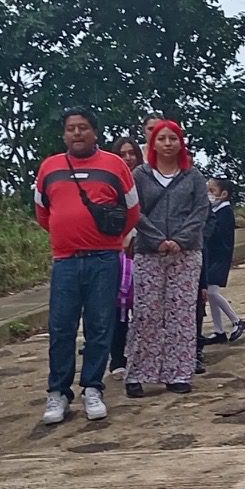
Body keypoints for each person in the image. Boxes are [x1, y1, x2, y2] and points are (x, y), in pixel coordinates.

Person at [34, 107, 137, 425]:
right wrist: (68, 235)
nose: (76, 133)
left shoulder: (114, 164)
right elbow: (42, 213)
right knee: (61, 328)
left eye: (82, 127)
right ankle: (59, 393)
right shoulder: (49, 167)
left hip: (104, 260)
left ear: (95, 132)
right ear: (64, 134)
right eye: (70, 128)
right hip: (65, 261)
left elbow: (132, 210)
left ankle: (93, 387)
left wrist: (109, 239)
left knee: (100, 326)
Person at [123, 120, 210, 398]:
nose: (168, 143)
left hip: (186, 253)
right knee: (146, 312)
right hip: (150, 252)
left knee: (182, 313)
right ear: (153, 144)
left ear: (181, 143)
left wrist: (180, 240)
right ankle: (137, 373)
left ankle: (179, 373)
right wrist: (158, 239)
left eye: (174, 138)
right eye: (163, 139)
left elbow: (200, 211)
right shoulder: (140, 174)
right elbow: (134, 210)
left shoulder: (193, 175)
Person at [200, 176, 245, 344]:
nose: (208, 195)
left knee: (211, 292)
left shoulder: (225, 212)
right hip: (212, 258)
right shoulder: (217, 211)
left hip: (220, 258)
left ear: (224, 194)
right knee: (211, 294)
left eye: (212, 191)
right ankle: (219, 331)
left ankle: (236, 320)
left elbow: (216, 234)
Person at [111, 137, 141, 373]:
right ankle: (117, 357)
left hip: (144, 247)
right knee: (118, 306)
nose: (128, 158)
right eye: (123, 153)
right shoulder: (111, 182)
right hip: (118, 250)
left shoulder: (145, 179)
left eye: (132, 153)